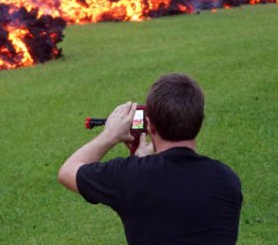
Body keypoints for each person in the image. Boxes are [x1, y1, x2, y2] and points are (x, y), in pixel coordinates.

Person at [58, 73, 242, 244]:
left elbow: (67, 171)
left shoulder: (130, 176)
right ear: (199, 122)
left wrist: (111, 135)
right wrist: (141, 161)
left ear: (150, 127)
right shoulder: (227, 179)